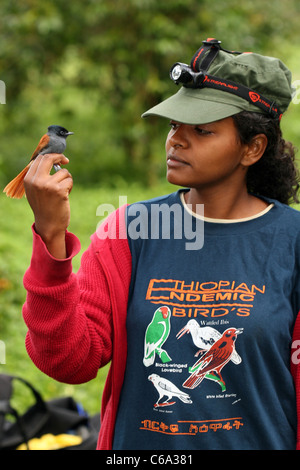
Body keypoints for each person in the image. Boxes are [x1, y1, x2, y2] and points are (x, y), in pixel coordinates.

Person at [22, 38, 300, 450]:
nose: (176, 141)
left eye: (202, 131)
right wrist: (50, 235)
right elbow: (69, 360)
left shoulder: (291, 241)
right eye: (174, 125)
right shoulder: (130, 232)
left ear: (252, 148)